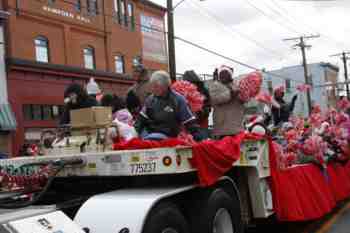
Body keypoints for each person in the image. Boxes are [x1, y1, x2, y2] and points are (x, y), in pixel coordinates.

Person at [134, 70, 204, 141]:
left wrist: (200, 139)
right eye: (152, 86)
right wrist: (134, 133)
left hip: (166, 136)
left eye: (156, 87)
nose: (153, 89)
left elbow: (189, 122)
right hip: (148, 133)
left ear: (166, 86)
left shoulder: (178, 100)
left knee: (155, 138)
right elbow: (141, 120)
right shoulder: (150, 99)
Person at [210, 65, 245, 138]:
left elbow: (244, 99)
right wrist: (231, 94)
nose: (223, 75)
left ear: (230, 75)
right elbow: (215, 99)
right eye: (221, 74)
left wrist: (244, 96)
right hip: (223, 129)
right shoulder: (215, 85)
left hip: (237, 126)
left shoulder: (237, 85)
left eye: (226, 73)